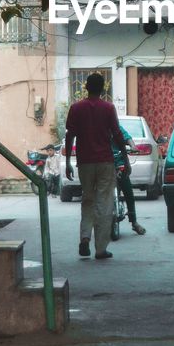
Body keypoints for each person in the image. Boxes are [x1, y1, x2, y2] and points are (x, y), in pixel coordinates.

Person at [63, 72, 127, 260]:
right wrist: (124, 157)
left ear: (86, 87)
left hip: (85, 162)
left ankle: (85, 238)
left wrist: (68, 162)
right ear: (102, 88)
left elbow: (69, 135)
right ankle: (100, 249)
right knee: (104, 203)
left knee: (88, 200)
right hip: (105, 161)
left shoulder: (76, 108)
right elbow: (117, 134)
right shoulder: (108, 108)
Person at [112, 125, 146, 236]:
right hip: (104, 165)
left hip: (120, 165)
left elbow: (127, 138)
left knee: (128, 193)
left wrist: (133, 146)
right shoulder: (97, 127)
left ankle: (134, 222)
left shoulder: (117, 127)